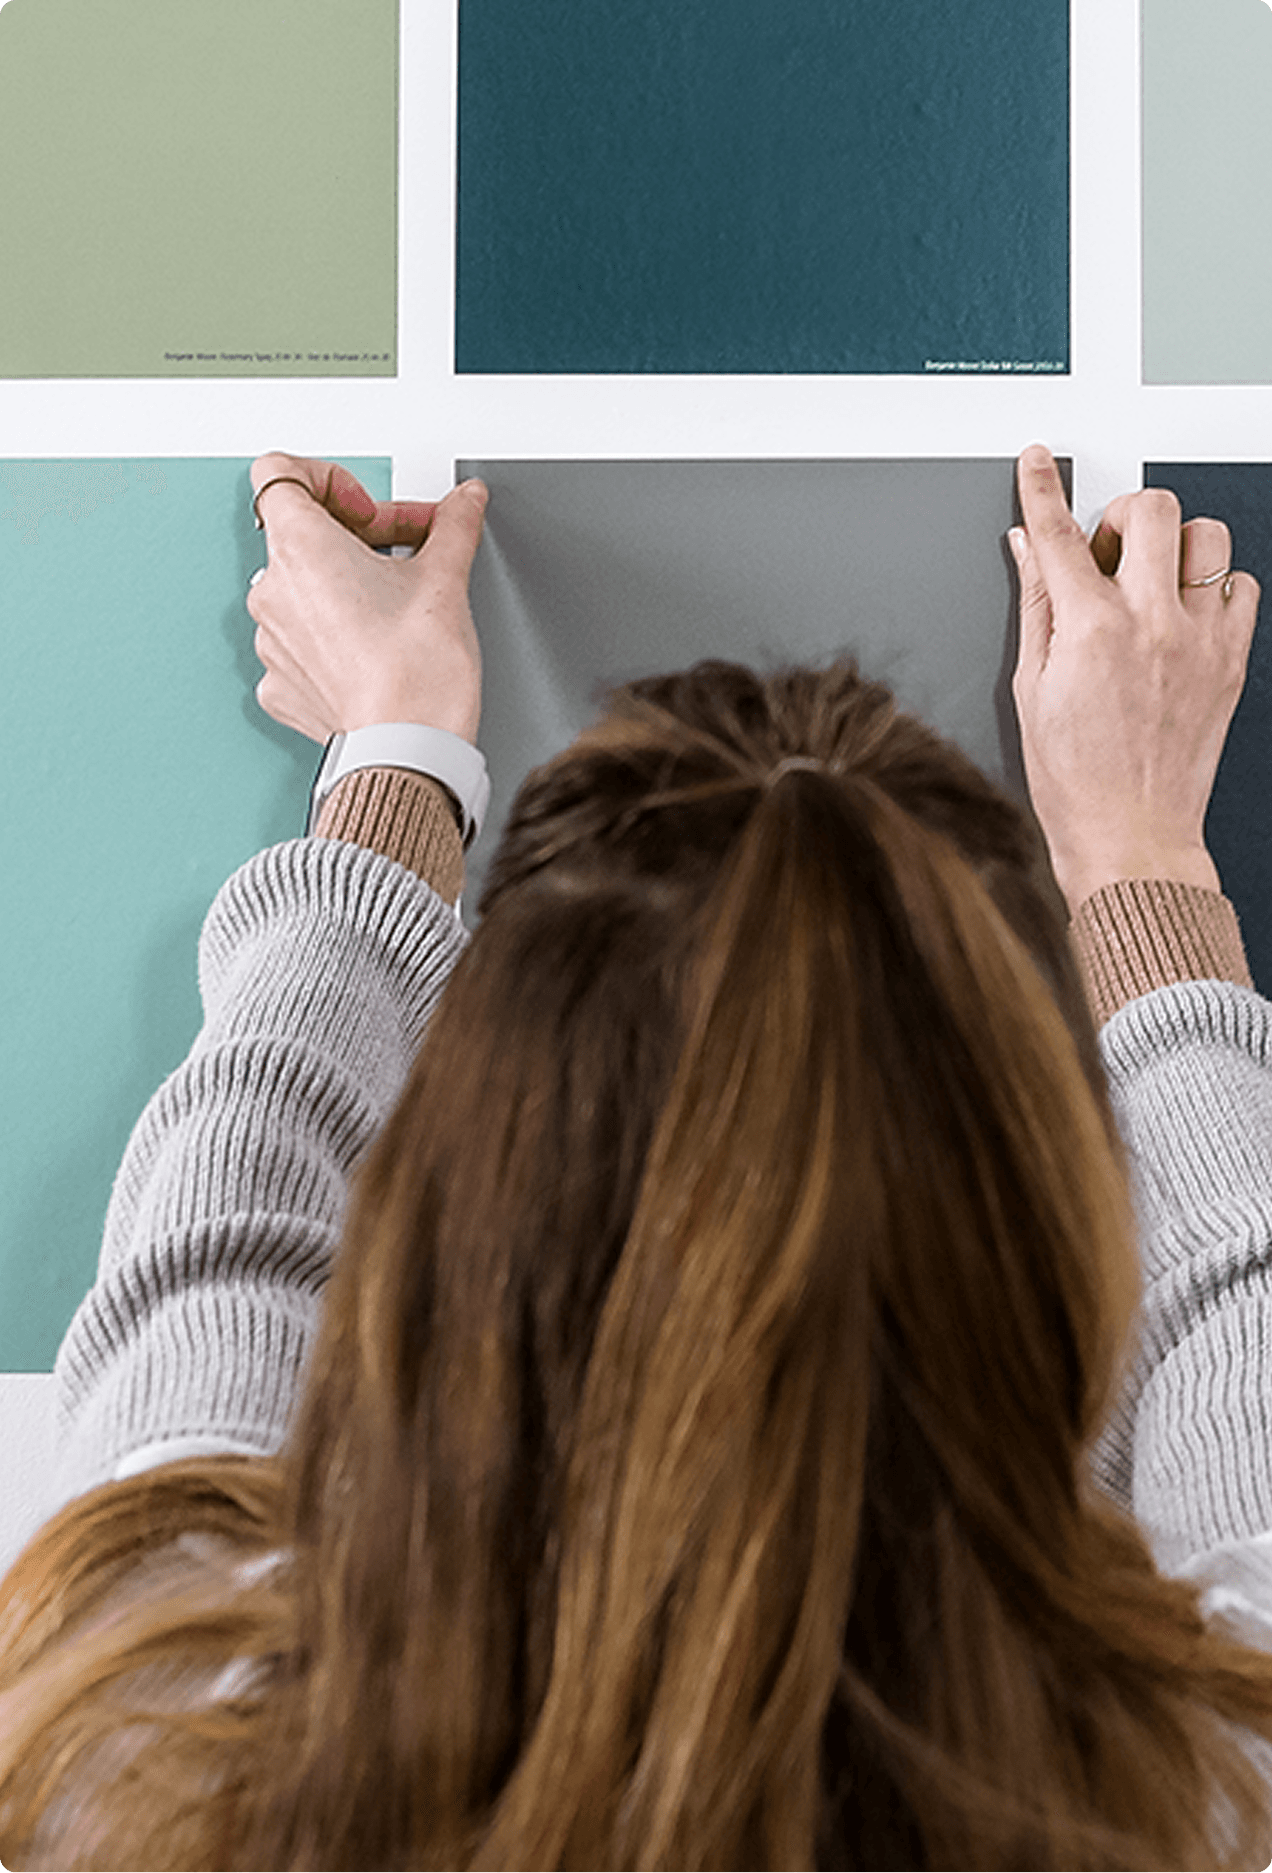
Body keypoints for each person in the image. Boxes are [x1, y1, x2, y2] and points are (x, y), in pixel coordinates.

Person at [0, 445, 1269, 1871]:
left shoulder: (163, 1758)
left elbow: (230, 1227)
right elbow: (1240, 1303)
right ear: (1052, 1249)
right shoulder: (1219, 1794)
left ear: (454, 1220)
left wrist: (397, 750)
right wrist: (1142, 862)